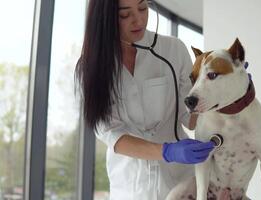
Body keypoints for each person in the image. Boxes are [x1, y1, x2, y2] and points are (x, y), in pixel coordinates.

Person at [75, 0, 215, 199]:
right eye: (125, 14)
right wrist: (167, 151)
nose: (138, 20)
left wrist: (217, 93)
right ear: (104, 19)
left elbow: (190, 120)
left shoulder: (173, 50)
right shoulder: (90, 68)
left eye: (142, 8)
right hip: (130, 190)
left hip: (181, 186)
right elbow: (111, 133)